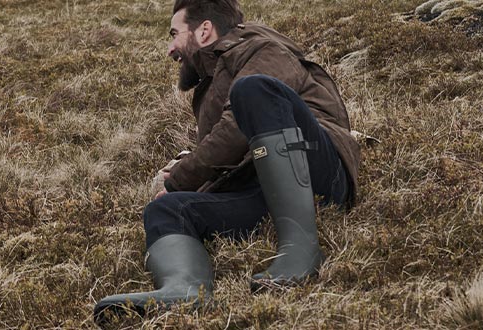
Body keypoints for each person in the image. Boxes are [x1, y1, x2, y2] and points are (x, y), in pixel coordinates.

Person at [92, 0, 361, 323]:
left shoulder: (261, 47)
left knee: (254, 89)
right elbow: (228, 156)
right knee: (167, 209)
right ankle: (185, 289)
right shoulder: (210, 87)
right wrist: (180, 193)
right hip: (264, 186)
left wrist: (177, 179)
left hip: (318, 168)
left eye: (175, 33)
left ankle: (301, 252)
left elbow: (234, 132)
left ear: (204, 30)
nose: (170, 49)